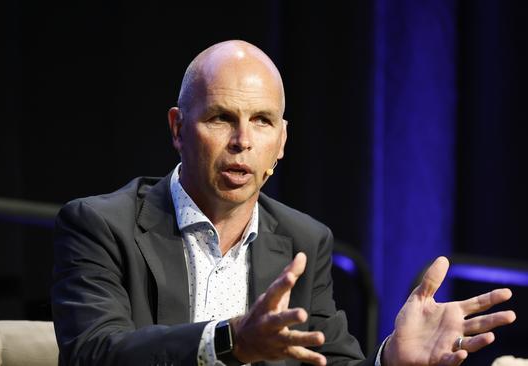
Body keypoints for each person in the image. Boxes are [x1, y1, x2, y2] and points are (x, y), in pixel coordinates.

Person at [51, 40, 516, 366]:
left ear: (283, 140)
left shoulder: (304, 241)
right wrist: (230, 341)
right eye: (220, 118)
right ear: (177, 128)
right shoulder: (100, 225)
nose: (242, 142)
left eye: (262, 121)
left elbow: (328, 361)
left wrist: (389, 360)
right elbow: (94, 353)